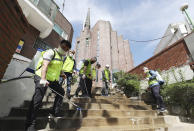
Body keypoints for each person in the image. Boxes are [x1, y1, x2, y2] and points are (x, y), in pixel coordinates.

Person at [25, 40, 71, 131]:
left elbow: (59, 67)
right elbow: (45, 65)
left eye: (66, 49)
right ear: (59, 45)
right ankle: (30, 125)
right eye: (63, 47)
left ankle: (55, 111)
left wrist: (62, 73)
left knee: (61, 92)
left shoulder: (62, 57)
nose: (64, 49)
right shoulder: (51, 52)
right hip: (41, 77)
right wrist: (43, 79)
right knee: (37, 99)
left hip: (52, 80)